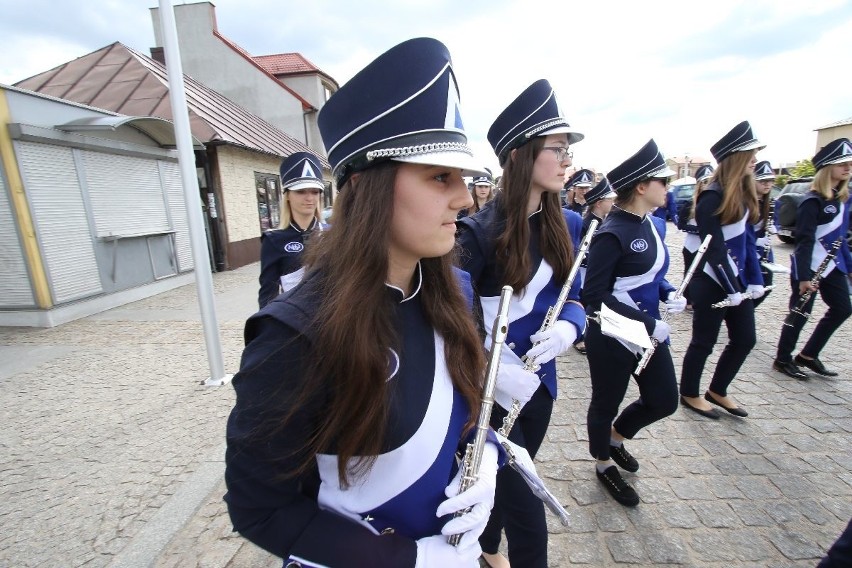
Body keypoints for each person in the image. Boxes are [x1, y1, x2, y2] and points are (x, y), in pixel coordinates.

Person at [225, 37, 502, 567]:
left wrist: (487, 458)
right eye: (440, 176)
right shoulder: (295, 335)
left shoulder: (454, 293)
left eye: (463, 178)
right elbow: (259, 509)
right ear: (370, 187)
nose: (465, 197)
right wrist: (408, 560)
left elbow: (467, 414)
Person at [457, 79, 586, 568]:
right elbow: (454, 322)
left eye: (567, 148)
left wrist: (570, 328)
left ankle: (488, 550)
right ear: (520, 154)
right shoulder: (475, 233)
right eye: (558, 148)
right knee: (528, 507)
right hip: (488, 392)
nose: (567, 158)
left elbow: (574, 294)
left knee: (507, 493)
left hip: (539, 386)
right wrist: (490, 367)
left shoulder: (568, 224)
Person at [582, 139, 681, 506]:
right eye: (663, 181)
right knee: (606, 400)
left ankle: (616, 437)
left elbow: (651, 276)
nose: (668, 189)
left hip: (648, 329)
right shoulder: (612, 232)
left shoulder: (653, 223)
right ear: (642, 186)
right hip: (613, 330)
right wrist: (644, 322)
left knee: (664, 399)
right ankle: (603, 462)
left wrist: (668, 292)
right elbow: (595, 295)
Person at [680, 121, 766, 419]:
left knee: (745, 339)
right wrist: (733, 288)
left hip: (736, 282)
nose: (755, 160)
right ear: (735, 158)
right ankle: (689, 392)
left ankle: (718, 389)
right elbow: (712, 247)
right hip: (713, 281)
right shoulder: (712, 195)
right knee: (704, 341)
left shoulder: (743, 193)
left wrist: (753, 281)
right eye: (750, 154)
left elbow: (747, 243)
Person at [773, 137, 852, 380]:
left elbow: (843, 237)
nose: (848, 168)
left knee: (842, 308)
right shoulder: (812, 200)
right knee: (800, 313)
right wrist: (804, 276)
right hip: (810, 266)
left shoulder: (843, 199)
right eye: (842, 163)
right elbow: (804, 240)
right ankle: (783, 358)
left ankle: (808, 354)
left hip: (834, 266)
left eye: (849, 163)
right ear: (828, 167)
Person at [257, 151, 326, 308]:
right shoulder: (274, 240)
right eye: (301, 191)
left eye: (314, 192)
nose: (309, 198)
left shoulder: (332, 234)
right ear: (287, 195)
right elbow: (268, 293)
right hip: (294, 321)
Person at [573, 176, 617, 355]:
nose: (612, 203)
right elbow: (577, 252)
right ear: (599, 203)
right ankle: (580, 337)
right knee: (583, 302)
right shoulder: (587, 223)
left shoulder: (604, 222)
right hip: (584, 273)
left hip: (593, 270)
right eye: (609, 200)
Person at [752, 160, 777, 308]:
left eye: (770, 181)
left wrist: (774, 227)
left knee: (767, 285)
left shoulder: (771, 203)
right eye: (763, 181)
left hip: (764, 253)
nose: (767, 184)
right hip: (749, 250)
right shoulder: (746, 202)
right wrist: (756, 240)